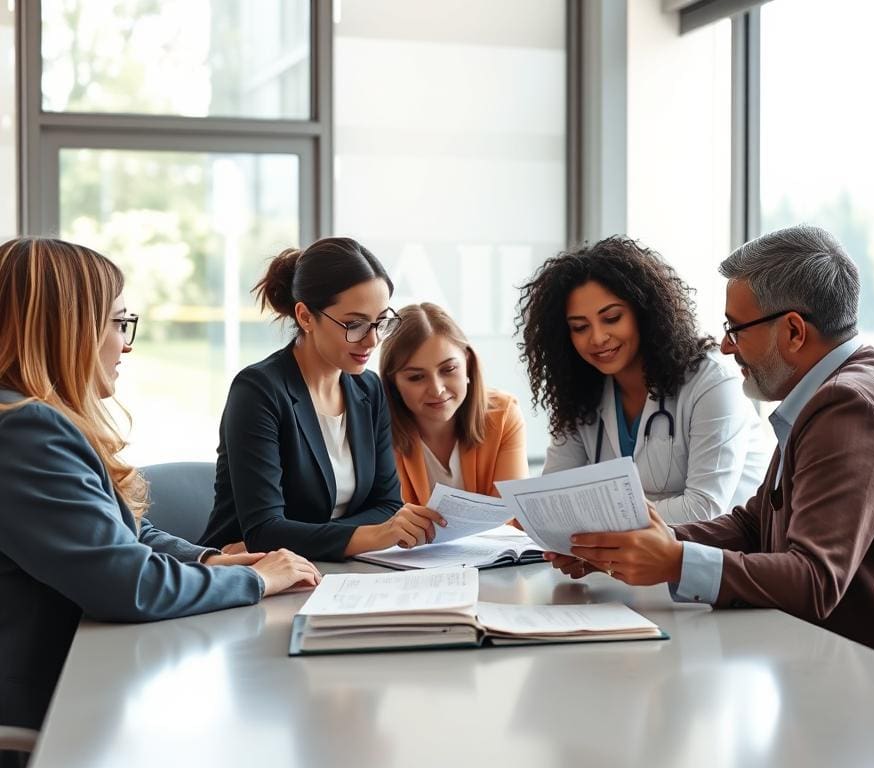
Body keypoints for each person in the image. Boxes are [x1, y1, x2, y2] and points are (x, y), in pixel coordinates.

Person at [551, 225, 874, 681]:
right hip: (846, 668)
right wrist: (627, 546)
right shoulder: (832, 393)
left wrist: (674, 560)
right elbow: (754, 523)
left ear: (793, 332)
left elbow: (814, 580)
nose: (726, 346)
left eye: (736, 329)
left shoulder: (851, 406)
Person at [0, 237, 319, 734]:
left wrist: (209, 560)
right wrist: (258, 580)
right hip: (44, 711)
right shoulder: (24, 429)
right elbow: (127, 582)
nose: (126, 344)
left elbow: (122, 534)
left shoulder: (31, 419)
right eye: (118, 323)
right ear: (66, 327)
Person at [199, 237, 444, 560]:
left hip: (333, 569)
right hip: (249, 575)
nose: (371, 340)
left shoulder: (369, 390)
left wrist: (302, 536)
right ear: (305, 317)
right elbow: (264, 531)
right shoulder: (258, 390)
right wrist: (374, 533)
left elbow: (386, 505)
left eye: (380, 321)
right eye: (354, 324)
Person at [516, 235, 767, 524]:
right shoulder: (581, 392)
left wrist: (597, 517)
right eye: (580, 327)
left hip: (722, 560)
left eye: (611, 318)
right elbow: (553, 496)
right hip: (632, 562)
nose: (597, 338)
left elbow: (703, 509)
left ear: (643, 312)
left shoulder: (711, 383)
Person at [379, 302, 528, 507]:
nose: (437, 389)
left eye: (448, 369)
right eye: (416, 377)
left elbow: (508, 512)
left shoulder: (503, 414)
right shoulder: (376, 430)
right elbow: (387, 522)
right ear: (393, 383)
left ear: (467, 363)